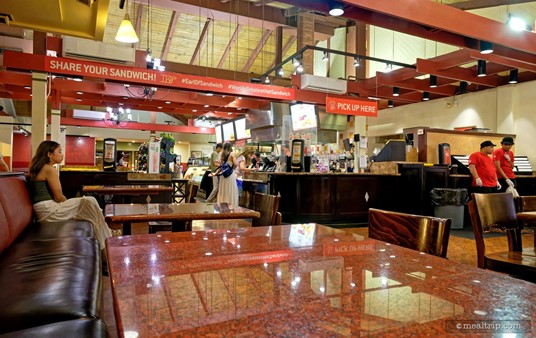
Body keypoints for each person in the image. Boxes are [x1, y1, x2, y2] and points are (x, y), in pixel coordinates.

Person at [28, 141, 113, 251]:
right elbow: (59, 198)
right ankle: (107, 244)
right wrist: (71, 204)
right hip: (49, 211)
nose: (62, 154)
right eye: (59, 151)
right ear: (49, 154)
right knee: (89, 202)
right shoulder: (49, 169)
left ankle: (104, 244)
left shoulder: (39, 168)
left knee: (91, 211)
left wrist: (72, 205)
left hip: (43, 211)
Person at [216, 142, 239, 207]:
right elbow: (236, 164)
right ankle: (231, 206)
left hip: (223, 176)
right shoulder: (232, 154)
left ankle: (222, 206)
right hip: (230, 176)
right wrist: (233, 169)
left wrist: (216, 173)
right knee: (230, 190)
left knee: (223, 191)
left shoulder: (222, 155)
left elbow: (221, 167)